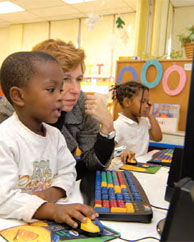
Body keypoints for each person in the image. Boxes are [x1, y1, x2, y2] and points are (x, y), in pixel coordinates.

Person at [0, 51, 98, 227]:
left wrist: (53, 193)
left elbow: (68, 170)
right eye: (51, 90)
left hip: (46, 222)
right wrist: (52, 210)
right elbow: (3, 199)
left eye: (60, 90)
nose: (60, 96)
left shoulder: (55, 136)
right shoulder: (5, 139)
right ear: (18, 96)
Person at [0, 39, 115, 179]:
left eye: (79, 79)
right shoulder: (10, 107)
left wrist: (108, 127)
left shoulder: (82, 105)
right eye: (66, 79)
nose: (76, 90)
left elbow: (93, 164)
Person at [112, 81, 162, 161]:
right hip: (124, 168)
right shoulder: (118, 125)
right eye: (142, 101)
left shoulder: (143, 122)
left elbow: (157, 137)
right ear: (127, 102)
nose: (146, 105)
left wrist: (150, 115)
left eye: (147, 102)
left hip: (141, 165)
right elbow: (106, 151)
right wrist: (121, 152)